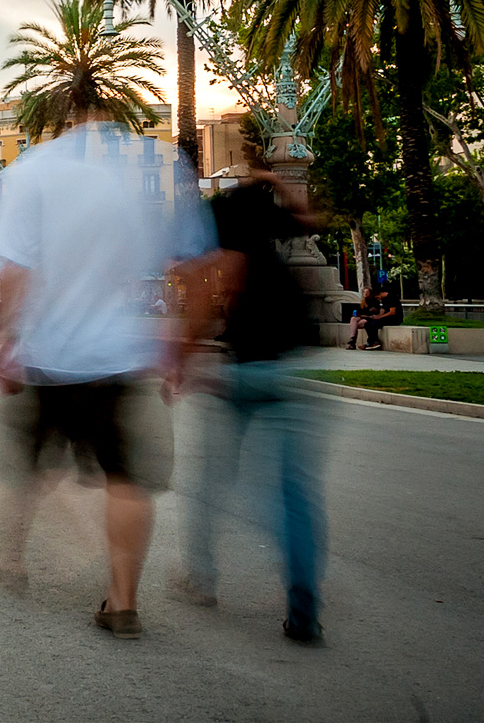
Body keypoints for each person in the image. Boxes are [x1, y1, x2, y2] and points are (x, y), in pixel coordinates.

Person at [0, 77, 214, 639]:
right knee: (128, 480)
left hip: (48, 354)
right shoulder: (160, 164)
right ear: (119, 115)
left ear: (64, 116)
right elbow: (199, 269)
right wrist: (182, 345)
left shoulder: (29, 171)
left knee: (29, 467)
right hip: (124, 356)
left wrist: (2, 345)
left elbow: (12, 271)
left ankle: (11, 560)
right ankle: (122, 601)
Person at [173, 170, 329, 645]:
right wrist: (276, 182)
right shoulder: (268, 227)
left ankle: (199, 577)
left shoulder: (219, 220)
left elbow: (219, 278)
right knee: (293, 496)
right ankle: (304, 608)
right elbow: (313, 219)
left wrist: (183, 353)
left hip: (245, 369)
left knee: (212, 479)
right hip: (288, 362)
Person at [350, 274, 401, 350]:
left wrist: (380, 317)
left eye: (377, 297)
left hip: (394, 318)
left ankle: (373, 342)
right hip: (387, 317)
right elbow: (383, 310)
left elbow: (392, 312)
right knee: (368, 324)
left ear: (380, 293)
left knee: (373, 324)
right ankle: (372, 342)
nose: (378, 299)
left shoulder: (391, 297)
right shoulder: (384, 300)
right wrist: (377, 316)